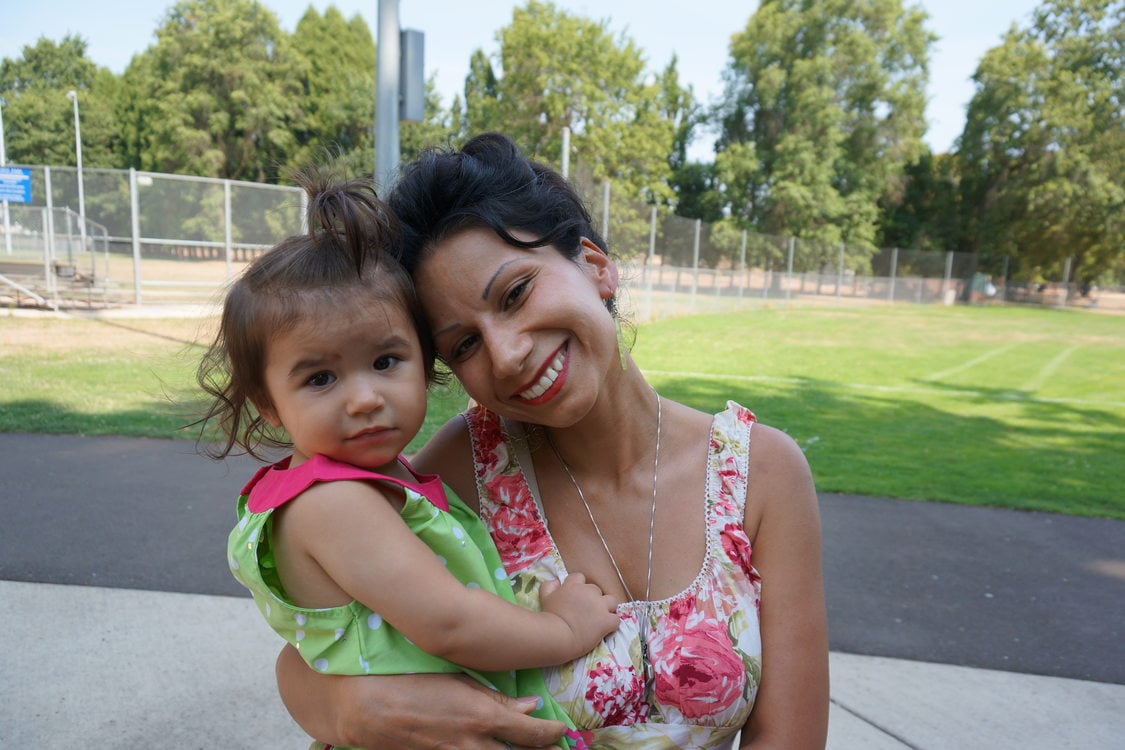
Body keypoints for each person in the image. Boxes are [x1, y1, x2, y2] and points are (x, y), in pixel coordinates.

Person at [276, 134, 830, 749]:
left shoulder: (759, 474)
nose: (508, 355)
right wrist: (340, 709)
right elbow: (318, 647)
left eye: (515, 294)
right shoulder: (462, 475)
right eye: (464, 345)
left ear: (594, 265)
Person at [196, 170, 620, 750]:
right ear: (268, 404)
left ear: (424, 362)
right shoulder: (333, 502)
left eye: (386, 361)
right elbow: (450, 623)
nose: (365, 397)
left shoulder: (388, 482)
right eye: (320, 377)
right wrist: (563, 628)